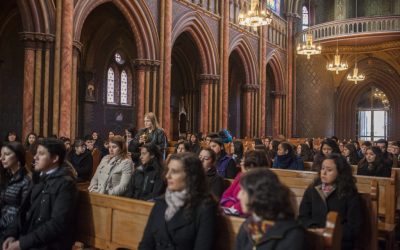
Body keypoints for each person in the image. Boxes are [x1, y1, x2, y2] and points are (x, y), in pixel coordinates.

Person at [2, 138, 78, 250]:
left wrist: (21, 244)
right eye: (36, 153)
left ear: (55, 158)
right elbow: (22, 211)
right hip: (30, 238)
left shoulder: (65, 184)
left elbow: (57, 224)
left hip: (48, 245)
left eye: (41, 154)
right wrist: (11, 234)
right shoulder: (38, 177)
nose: (35, 157)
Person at [138, 152, 218, 250]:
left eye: (174, 171)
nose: (167, 176)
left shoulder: (205, 207)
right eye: (168, 170)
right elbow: (146, 244)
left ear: (190, 176)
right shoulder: (161, 203)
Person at [299, 154, 362, 250]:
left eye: (329, 170)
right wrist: (315, 229)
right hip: (314, 238)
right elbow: (303, 216)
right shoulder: (312, 189)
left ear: (339, 172)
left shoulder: (349, 193)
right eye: (322, 168)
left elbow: (354, 228)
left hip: (340, 242)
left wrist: (329, 232)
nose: (323, 173)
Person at [235, 168, 304, 250]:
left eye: (243, 191)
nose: (238, 196)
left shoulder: (292, 234)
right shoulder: (248, 224)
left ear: (258, 196)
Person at [221, 150, 270, 216]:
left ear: (252, 165)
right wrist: (231, 207)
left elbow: (251, 203)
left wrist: (234, 207)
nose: (241, 164)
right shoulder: (240, 175)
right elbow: (226, 195)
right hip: (232, 212)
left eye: (243, 161)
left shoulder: (261, 182)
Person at [0, 142, 31, 243]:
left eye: (7, 154)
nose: (1, 158)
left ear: (18, 157)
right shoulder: (7, 176)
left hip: (12, 228)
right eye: (1, 155)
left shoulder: (26, 180)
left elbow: (23, 212)